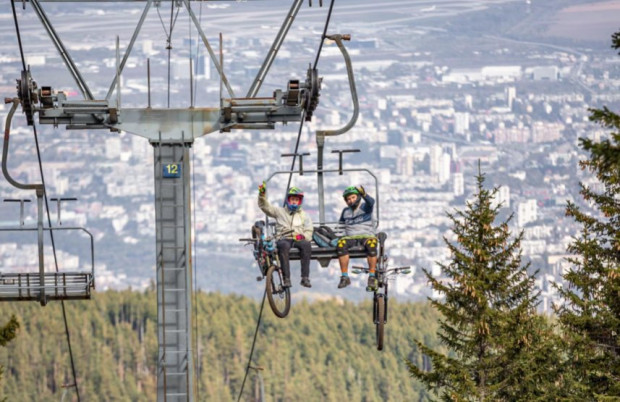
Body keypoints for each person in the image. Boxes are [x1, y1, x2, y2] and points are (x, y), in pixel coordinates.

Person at [257, 181, 313, 288]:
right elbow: (265, 207)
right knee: (283, 246)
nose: (294, 202)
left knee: (306, 245)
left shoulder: (304, 216)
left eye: (297, 200)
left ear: (300, 201)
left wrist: (304, 236)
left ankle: (305, 278)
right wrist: (262, 195)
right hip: (284, 238)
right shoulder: (279, 212)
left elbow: (309, 229)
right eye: (292, 200)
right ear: (288, 200)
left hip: (297, 238)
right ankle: (286, 278)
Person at [336, 185, 378, 291]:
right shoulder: (346, 211)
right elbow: (340, 225)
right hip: (351, 237)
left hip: (366, 235)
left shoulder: (365, 207)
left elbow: (371, 202)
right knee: (341, 245)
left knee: (372, 245)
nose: (351, 201)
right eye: (348, 199)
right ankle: (345, 276)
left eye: (353, 197)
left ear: (358, 197)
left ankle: (372, 276)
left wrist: (364, 194)